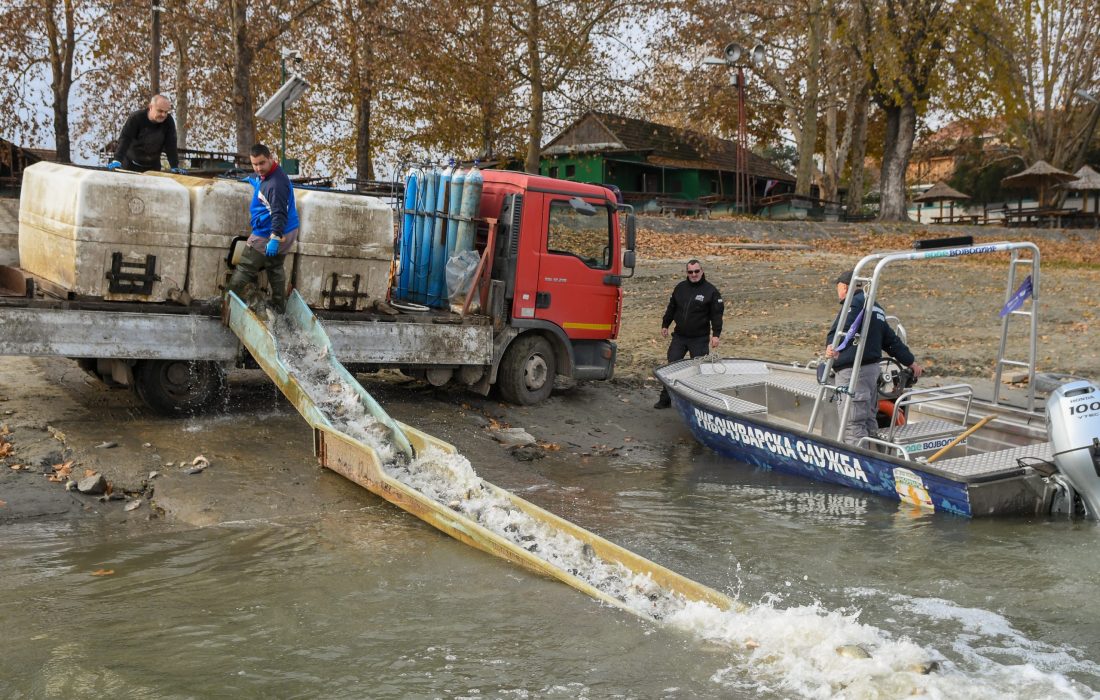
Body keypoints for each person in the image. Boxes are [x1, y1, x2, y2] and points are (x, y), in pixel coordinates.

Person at [825, 270, 922, 443]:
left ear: (845, 287)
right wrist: (911, 361)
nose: (837, 291)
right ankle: (874, 457)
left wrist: (832, 347)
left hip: (853, 373)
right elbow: (891, 340)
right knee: (869, 420)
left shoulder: (853, 305)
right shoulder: (875, 306)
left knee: (852, 425)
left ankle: (859, 465)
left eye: (838, 287)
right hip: (872, 372)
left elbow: (844, 330)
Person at [227, 144, 299, 314]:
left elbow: (279, 213)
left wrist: (274, 238)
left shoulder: (275, 184)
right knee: (274, 267)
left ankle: (226, 302)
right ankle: (278, 307)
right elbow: (262, 180)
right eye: (254, 164)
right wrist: (255, 180)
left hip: (270, 231)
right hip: (290, 229)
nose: (258, 168)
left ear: (270, 158)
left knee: (245, 267)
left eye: (262, 163)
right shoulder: (271, 174)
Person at [654, 259, 724, 409]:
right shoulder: (680, 288)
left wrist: (716, 334)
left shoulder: (711, 291)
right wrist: (665, 324)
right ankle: (665, 399)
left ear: (702, 271)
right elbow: (672, 307)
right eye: (690, 272)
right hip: (680, 336)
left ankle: (698, 403)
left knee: (698, 371)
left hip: (699, 338)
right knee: (671, 367)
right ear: (687, 273)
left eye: (696, 271)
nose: (693, 274)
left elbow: (716, 315)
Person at [108, 95, 184, 173]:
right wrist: (117, 160)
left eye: (166, 112)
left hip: (153, 167)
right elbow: (125, 139)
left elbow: (171, 145)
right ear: (150, 107)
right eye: (160, 111)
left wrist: (174, 165)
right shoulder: (136, 118)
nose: (163, 115)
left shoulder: (168, 121)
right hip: (130, 165)